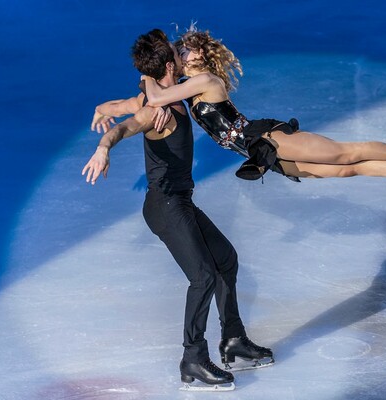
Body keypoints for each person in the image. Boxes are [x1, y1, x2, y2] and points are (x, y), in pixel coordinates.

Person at [82, 28, 273, 391]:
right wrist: (104, 146)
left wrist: (100, 108)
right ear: (170, 65)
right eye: (177, 52)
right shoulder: (158, 112)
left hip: (179, 201)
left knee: (225, 260)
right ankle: (193, 359)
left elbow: (118, 108)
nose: (182, 53)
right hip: (166, 205)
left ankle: (233, 341)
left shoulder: (160, 95)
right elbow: (125, 126)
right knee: (202, 276)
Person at [139, 24, 386, 205]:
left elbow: (157, 96)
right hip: (259, 154)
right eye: (177, 51)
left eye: (183, 50)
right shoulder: (190, 87)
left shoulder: (205, 81)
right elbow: (162, 97)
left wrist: (146, 73)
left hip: (267, 139)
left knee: (345, 153)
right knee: (344, 171)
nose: (179, 54)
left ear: (199, 55)